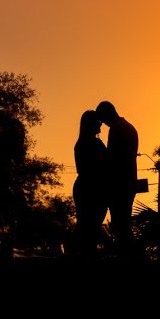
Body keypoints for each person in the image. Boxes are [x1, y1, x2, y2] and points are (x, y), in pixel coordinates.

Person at [95, 101, 139, 254]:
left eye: (102, 118)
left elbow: (112, 160)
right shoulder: (128, 126)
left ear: (107, 114)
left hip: (120, 184)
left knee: (121, 226)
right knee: (123, 225)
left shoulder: (116, 129)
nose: (102, 123)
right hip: (128, 181)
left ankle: (132, 257)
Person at [73, 110, 108, 257]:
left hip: (82, 188)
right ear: (92, 124)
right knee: (92, 227)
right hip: (93, 190)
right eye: (98, 122)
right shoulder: (96, 144)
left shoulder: (79, 144)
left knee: (85, 227)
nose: (101, 125)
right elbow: (107, 165)